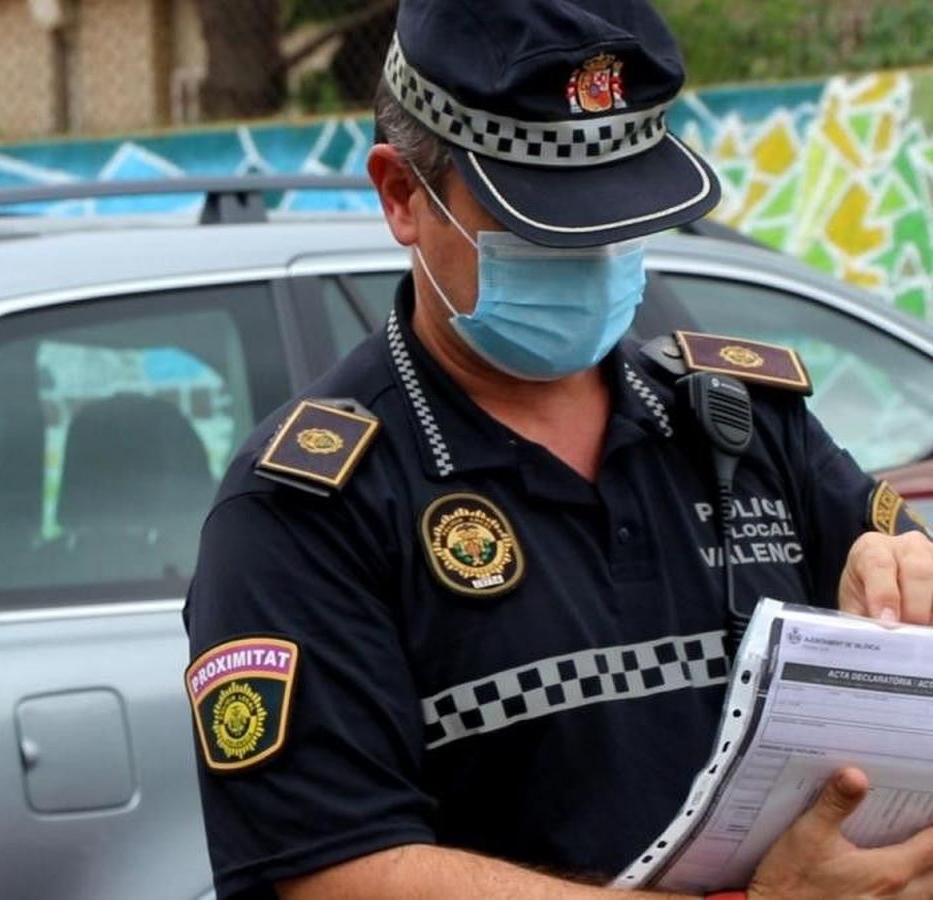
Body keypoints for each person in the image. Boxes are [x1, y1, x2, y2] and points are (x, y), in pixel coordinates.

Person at [182, 2, 933, 898]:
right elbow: (331, 875)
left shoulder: (742, 423)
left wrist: (894, 604)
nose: (592, 250)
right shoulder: (307, 508)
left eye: (620, 215)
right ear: (402, 197)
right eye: (541, 223)